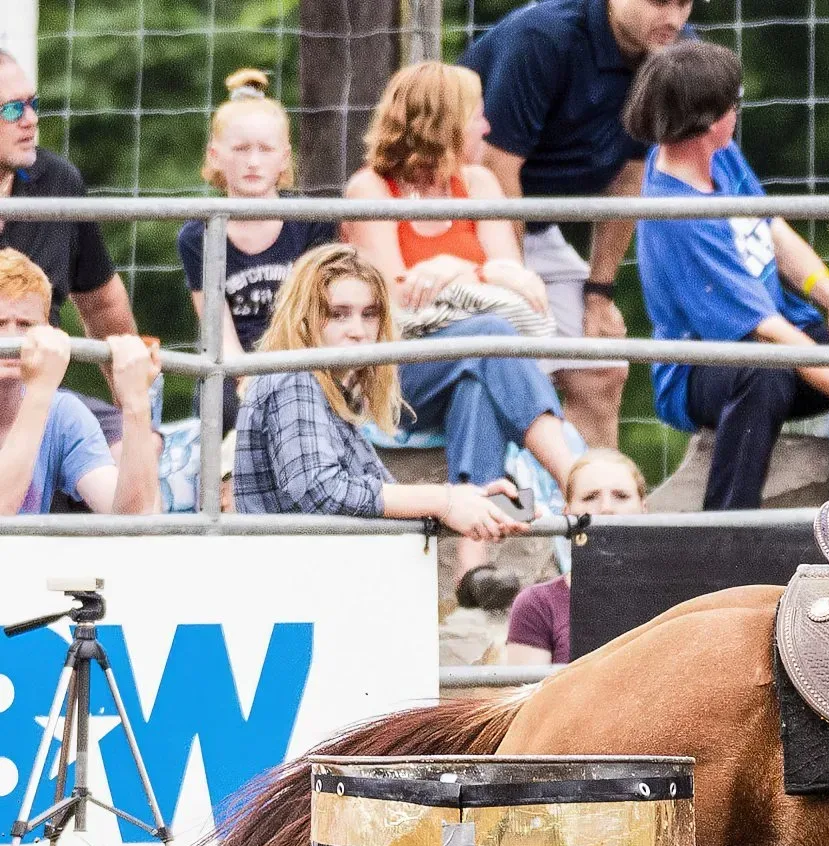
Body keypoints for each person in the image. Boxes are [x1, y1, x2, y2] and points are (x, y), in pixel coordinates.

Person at [344, 61, 579, 606]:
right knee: (489, 338)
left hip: (468, 360)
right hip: (394, 374)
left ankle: (472, 569)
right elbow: (391, 302)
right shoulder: (371, 190)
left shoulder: (477, 183)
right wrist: (480, 274)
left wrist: (454, 269)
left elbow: (517, 286)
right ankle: (574, 476)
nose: (486, 129)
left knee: (479, 375)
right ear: (442, 123)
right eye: (476, 116)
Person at [628, 41, 829, 512]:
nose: (738, 111)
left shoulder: (716, 155)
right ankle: (729, 532)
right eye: (735, 102)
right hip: (703, 370)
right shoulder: (678, 217)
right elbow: (768, 334)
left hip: (775, 339)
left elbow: (772, 228)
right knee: (762, 373)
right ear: (710, 119)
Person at [462, 0, 695, 448]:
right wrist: (517, 287)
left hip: (537, 230)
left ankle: (598, 510)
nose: (672, 18)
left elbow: (632, 174)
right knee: (512, 363)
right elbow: (498, 166)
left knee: (601, 366)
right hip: (468, 223)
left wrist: (599, 292)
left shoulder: (673, 55)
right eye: (658, 2)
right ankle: (500, 508)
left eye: (683, 3)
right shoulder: (543, 38)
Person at [231, 241, 525, 545]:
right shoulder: (294, 376)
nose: (358, 330)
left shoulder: (328, 389)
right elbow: (317, 489)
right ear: (302, 317)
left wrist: (476, 501)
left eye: (369, 314)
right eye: (338, 314)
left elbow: (375, 499)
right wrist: (443, 500)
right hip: (297, 578)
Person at [178, 69, 338, 432]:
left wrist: (276, 374)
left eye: (265, 150)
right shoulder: (198, 235)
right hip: (234, 369)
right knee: (220, 401)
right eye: (240, 149)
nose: (253, 161)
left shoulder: (312, 223)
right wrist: (246, 375)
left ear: (284, 158)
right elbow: (218, 330)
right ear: (215, 155)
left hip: (302, 357)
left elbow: (317, 317)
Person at [0, 47, 142, 451]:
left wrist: (133, 399)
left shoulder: (57, 182)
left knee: (136, 443)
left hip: (43, 400)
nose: (31, 120)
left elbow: (102, 305)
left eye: (33, 104)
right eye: (11, 110)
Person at [0, 249, 158, 514]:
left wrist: (136, 403)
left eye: (26, 324)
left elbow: (134, 522)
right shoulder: (43, 398)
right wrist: (40, 391)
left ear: (49, 331)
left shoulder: (62, 414)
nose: (12, 339)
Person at [504, 447, 647, 665]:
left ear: (644, 509)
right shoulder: (537, 604)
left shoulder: (679, 594)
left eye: (621, 496)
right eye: (590, 497)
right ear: (567, 512)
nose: (606, 508)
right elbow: (527, 696)